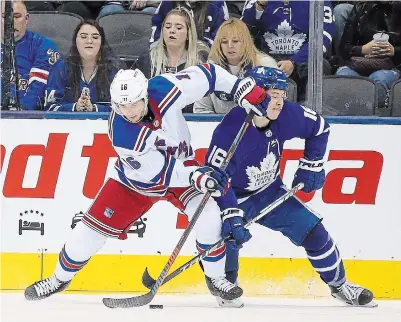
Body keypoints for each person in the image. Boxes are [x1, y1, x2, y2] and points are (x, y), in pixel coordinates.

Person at [24, 63, 270, 305]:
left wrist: (240, 88)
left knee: (209, 218)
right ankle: (58, 278)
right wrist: (199, 177)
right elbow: (161, 175)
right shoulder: (123, 133)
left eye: (133, 103)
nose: (129, 112)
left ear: (145, 95)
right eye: (121, 106)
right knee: (87, 234)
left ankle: (216, 278)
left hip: (183, 168)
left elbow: (210, 74)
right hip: (135, 183)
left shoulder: (164, 88)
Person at [204, 66, 375, 308]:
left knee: (314, 231)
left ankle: (340, 285)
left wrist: (312, 164)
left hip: (271, 191)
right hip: (235, 196)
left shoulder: (287, 116)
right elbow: (217, 181)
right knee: (229, 238)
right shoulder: (230, 132)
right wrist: (231, 215)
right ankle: (225, 283)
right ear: (253, 97)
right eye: (273, 95)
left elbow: (319, 127)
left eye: (282, 95)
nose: (279, 102)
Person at [241, 0, 335, 100]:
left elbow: (324, 37)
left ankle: (307, 109)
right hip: (266, 59)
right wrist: (259, 6)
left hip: (303, 61)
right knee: (248, 65)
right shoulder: (255, 1)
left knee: (320, 65)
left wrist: (294, 61)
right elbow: (243, 33)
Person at [194, 18, 277, 114]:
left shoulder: (266, 66)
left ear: (246, 42)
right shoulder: (210, 69)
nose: (230, 46)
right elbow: (201, 109)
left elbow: (276, 106)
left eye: (235, 41)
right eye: (224, 42)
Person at [135, 7, 209, 112]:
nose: (172, 31)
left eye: (178, 28)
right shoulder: (148, 58)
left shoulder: (201, 60)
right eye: (168, 27)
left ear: (189, 34)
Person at [45, 21, 123, 112]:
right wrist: (75, 107)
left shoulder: (115, 69)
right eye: (83, 36)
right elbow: (50, 108)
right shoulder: (61, 68)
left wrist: (94, 109)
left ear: (101, 42)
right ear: (75, 41)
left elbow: (124, 108)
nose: (89, 41)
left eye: (95, 37)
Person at [335, 1, 401, 108]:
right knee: (344, 77)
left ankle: (376, 119)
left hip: (392, 66)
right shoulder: (361, 9)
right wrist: (362, 49)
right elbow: (343, 48)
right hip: (357, 64)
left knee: (378, 80)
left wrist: (394, 51)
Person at [1, 0, 60, 110]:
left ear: (26, 18)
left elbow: (38, 90)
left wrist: (18, 111)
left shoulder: (42, 45)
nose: (10, 22)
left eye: (17, 16)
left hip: (26, 117)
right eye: (5, 17)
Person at [150, 1, 229, 48]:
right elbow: (157, 30)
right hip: (169, 53)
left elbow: (221, 38)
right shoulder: (168, 2)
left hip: (204, 57)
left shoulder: (217, 3)